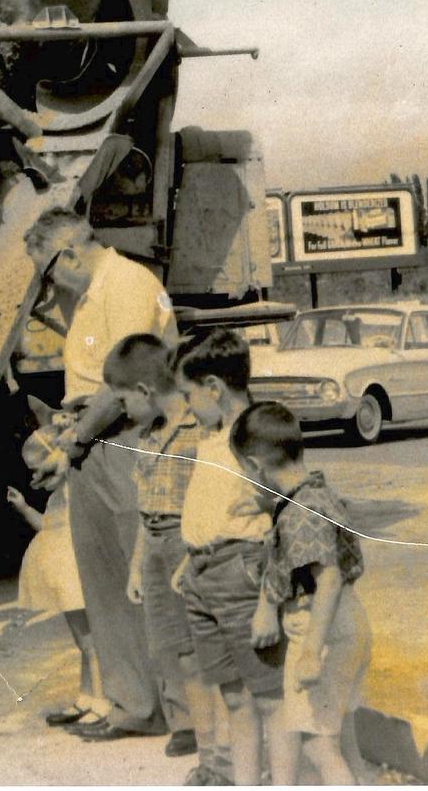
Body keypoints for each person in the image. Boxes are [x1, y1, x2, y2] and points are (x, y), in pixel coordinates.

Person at [23, 207, 177, 741]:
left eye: (46, 272)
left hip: (123, 437)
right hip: (92, 439)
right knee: (103, 582)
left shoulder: (129, 284)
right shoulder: (86, 296)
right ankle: (128, 700)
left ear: (68, 253)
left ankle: (161, 707)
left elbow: (124, 382)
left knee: (139, 578)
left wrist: (76, 441)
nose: (46, 286)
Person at [103, 334, 233, 776]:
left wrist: (192, 554)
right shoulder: (148, 434)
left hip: (187, 542)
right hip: (156, 545)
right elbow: (144, 506)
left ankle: (222, 752)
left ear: (143, 391)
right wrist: (139, 565)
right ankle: (205, 748)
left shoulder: (199, 432)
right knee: (176, 650)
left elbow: (208, 500)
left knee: (203, 649)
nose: (121, 411)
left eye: (122, 401)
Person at [168, 328, 287, 785]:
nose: (186, 406)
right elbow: (213, 508)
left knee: (267, 698)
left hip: (242, 576)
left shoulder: (256, 437)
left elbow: (280, 524)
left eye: (188, 394)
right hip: (203, 574)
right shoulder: (214, 437)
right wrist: (191, 557)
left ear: (213, 388)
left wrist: (267, 603)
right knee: (234, 698)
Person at [231, 401, 372, 785]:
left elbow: (327, 577)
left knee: (318, 748)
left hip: (319, 627)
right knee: (342, 741)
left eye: (244, 471)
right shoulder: (315, 493)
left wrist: (311, 651)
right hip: (348, 620)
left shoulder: (299, 513)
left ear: (257, 467)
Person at [6, 402, 110, 729]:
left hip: (73, 568)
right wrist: (23, 508)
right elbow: (48, 527)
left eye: (41, 469)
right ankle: (86, 697)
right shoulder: (56, 498)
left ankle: (102, 703)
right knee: (84, 641)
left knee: (90, 640)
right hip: (62, 570)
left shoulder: (73, 489)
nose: (36, 477)